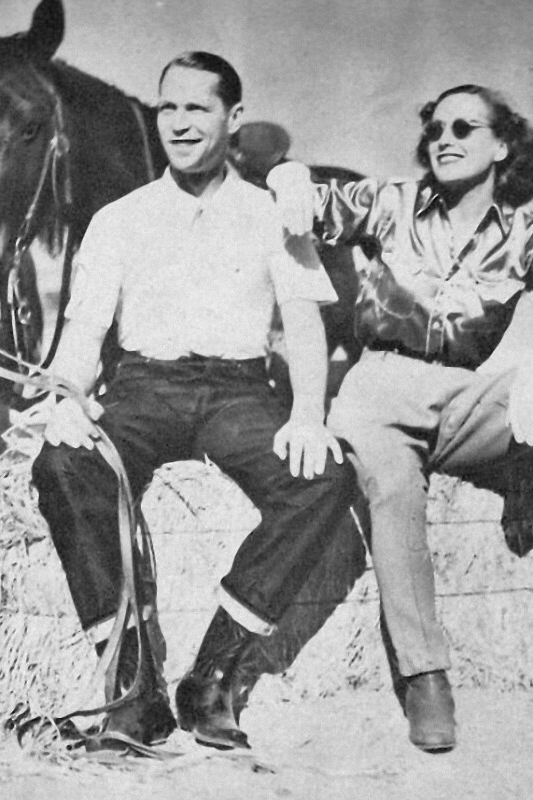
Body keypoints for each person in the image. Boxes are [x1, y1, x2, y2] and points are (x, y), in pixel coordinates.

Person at [267, 84, 533, 752]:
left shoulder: (530, 236)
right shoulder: (392, 202)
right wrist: (289, 178)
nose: (444, 139)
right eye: (435, 128)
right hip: (378, 391)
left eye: (465, 127)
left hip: (464, 398)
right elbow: (316, 203)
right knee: (394, 492)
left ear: (502, 146)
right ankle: (425, 678)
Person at [31, 51, 356, 753]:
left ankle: (211, 677)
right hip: (142, 390)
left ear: (233, 118)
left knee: (324, 479)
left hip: (238, 393)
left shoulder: (272, 215)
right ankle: (132, 688)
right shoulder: (118, 218)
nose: (178, 124)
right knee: (60, 464)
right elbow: (83, 331)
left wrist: (307, 414)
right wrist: (67, 396)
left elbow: (305, 323)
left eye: (196, 108)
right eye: (167, 108)